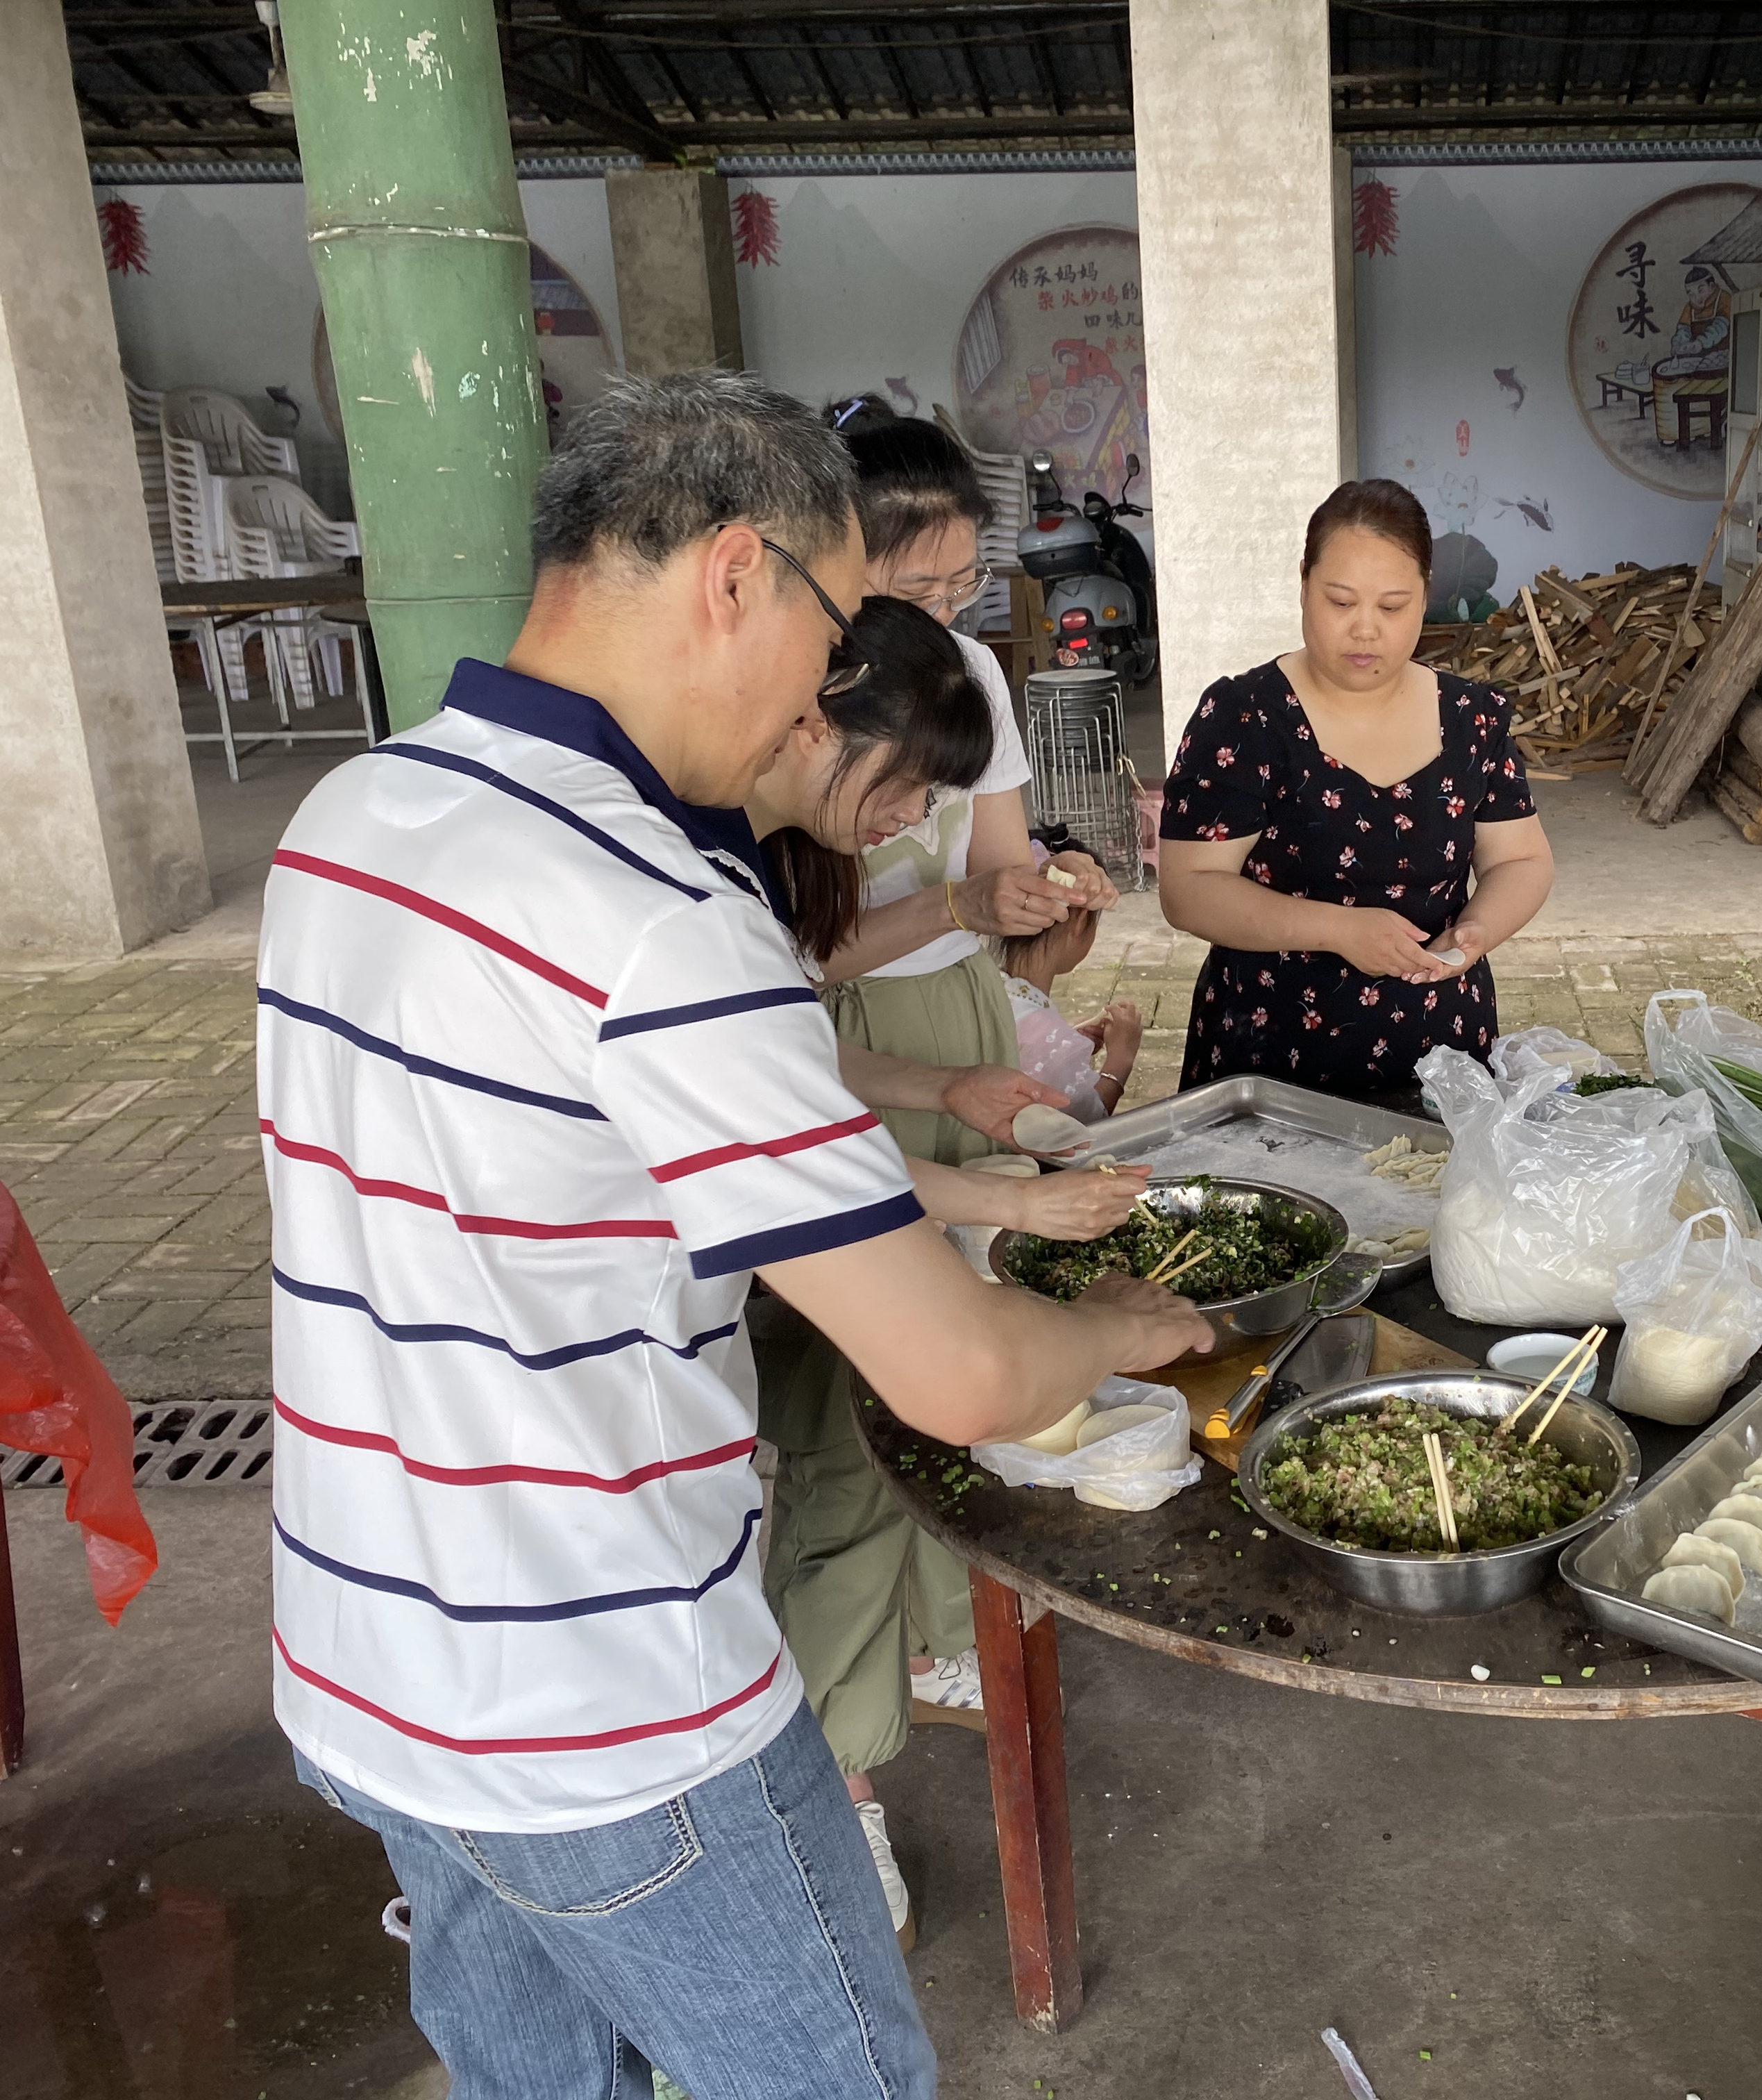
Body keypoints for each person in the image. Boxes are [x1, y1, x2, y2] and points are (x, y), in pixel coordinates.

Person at [258, 372, 1210, 2100]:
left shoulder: (354, 817)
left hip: (365, 1671)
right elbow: (957, 1373)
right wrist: (1122, 1331)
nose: (817, 697)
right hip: (604, 1703)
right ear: (734, 576)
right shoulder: (656, 913)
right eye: (834, 631)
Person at [742, 591, 1150, 1944]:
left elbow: (799, 1065)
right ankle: (824, 1788)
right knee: (844, 1452)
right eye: (909, 789)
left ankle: (892, 1676)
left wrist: (952, 1091)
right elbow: (802, 1146)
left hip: (874, 1125)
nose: (917, 818)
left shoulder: (789, 845)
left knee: (902, 1446)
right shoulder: (717, 867)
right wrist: (1036, 1241)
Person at [1157, 478, 1554, 1099]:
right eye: (1341, 602)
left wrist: (1478, 929)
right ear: (1304, 584)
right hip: (1272, 1064)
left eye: (1392, 607)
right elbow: (1189, 891)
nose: (1365, 630)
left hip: (1442, 1058)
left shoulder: (1472, 717)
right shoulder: (1244, 716)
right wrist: (1339, 930)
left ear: (1425, 595)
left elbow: (1521, 860)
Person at [816, 403, 1111, 1167]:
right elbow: (795, 958)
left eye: (963, 584)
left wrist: (1051, 884)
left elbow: (997, 868)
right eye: (920, 593)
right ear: (836, 566)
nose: (945, 616)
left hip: (966, 999)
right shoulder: (810, 694)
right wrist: (956, 906)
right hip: (843, 1030)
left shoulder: (968, 672)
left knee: (983, 1203)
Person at [995, 842, 1144, 1122]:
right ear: (1079, 920)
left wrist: (1071, 1039)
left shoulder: (990, 987)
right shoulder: (1044, 1032)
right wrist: (1121, 1059)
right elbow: (1085, 1118)